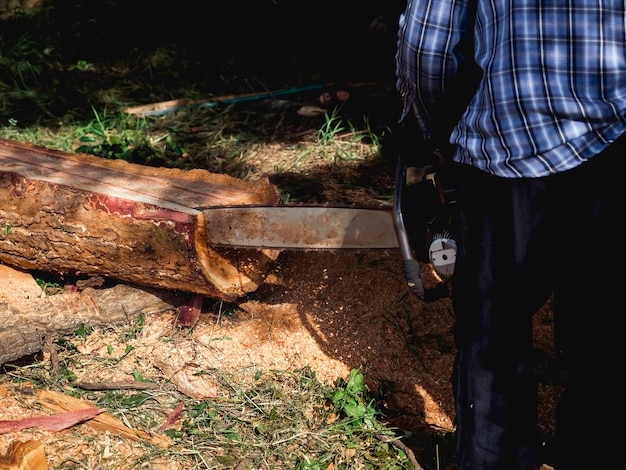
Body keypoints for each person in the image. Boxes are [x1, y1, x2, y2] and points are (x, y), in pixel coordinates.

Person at [395, 0, 626, 468]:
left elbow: (428, 45)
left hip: (515, 143)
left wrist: (425, 129)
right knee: (607, 326)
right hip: (618, 143)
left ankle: (493, 457)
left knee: (494, 333)